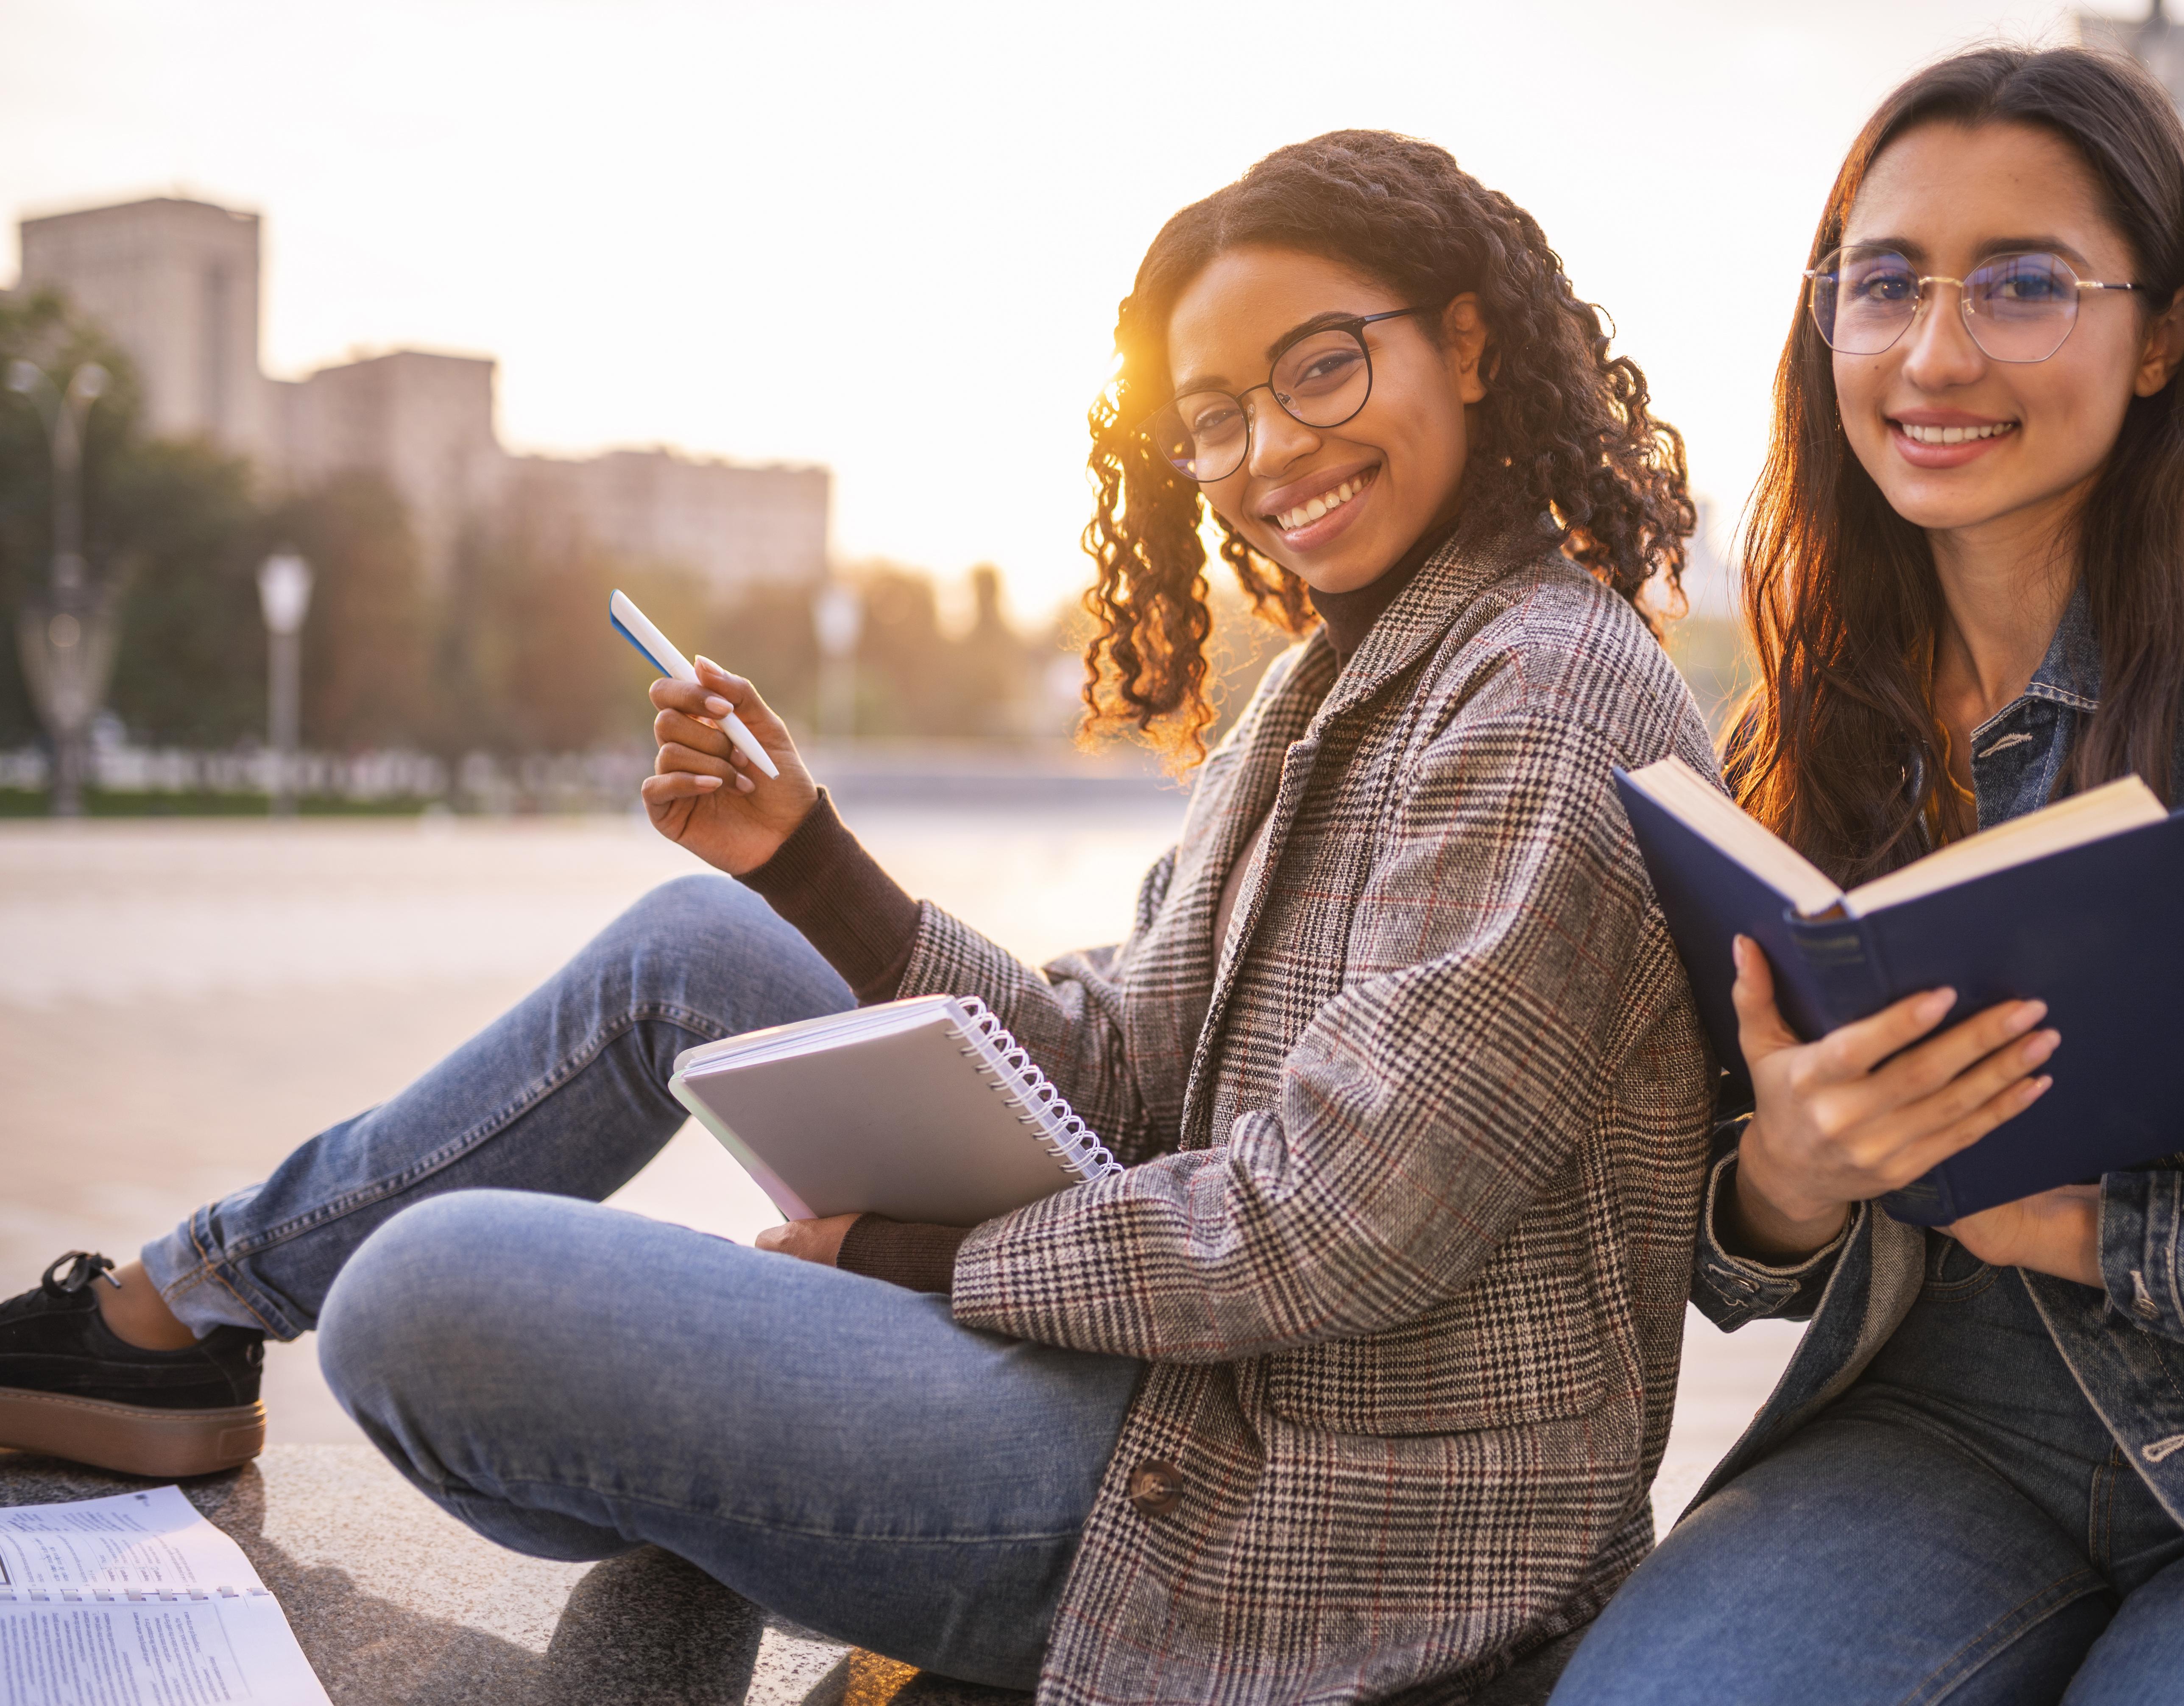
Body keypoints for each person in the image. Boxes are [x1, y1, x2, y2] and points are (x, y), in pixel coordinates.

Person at [0, 131, 1719, 1703]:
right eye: (1214, 416)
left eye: (1323, 367)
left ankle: (664, 1473)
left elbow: (1333, 1227)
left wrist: (911, 1263)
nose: (1271, 453)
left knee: (425, 1305)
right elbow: (1126, 1064)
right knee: (700, 943)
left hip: (1303, 1512)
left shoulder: (1545, 697)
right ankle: (178, 1314)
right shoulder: (1339, 675)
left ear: (1470, 345)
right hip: (1191, 1375)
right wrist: (805, 853)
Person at [1551, 45, 2184, 1706]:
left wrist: (2110, 1229)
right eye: (1885, 283)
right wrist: (1794, 1172)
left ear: (2160, 333)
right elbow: (1740, 1251)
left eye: (2024, 286)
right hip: (1949, 1419)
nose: (1936, 352)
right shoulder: (1810, 740)